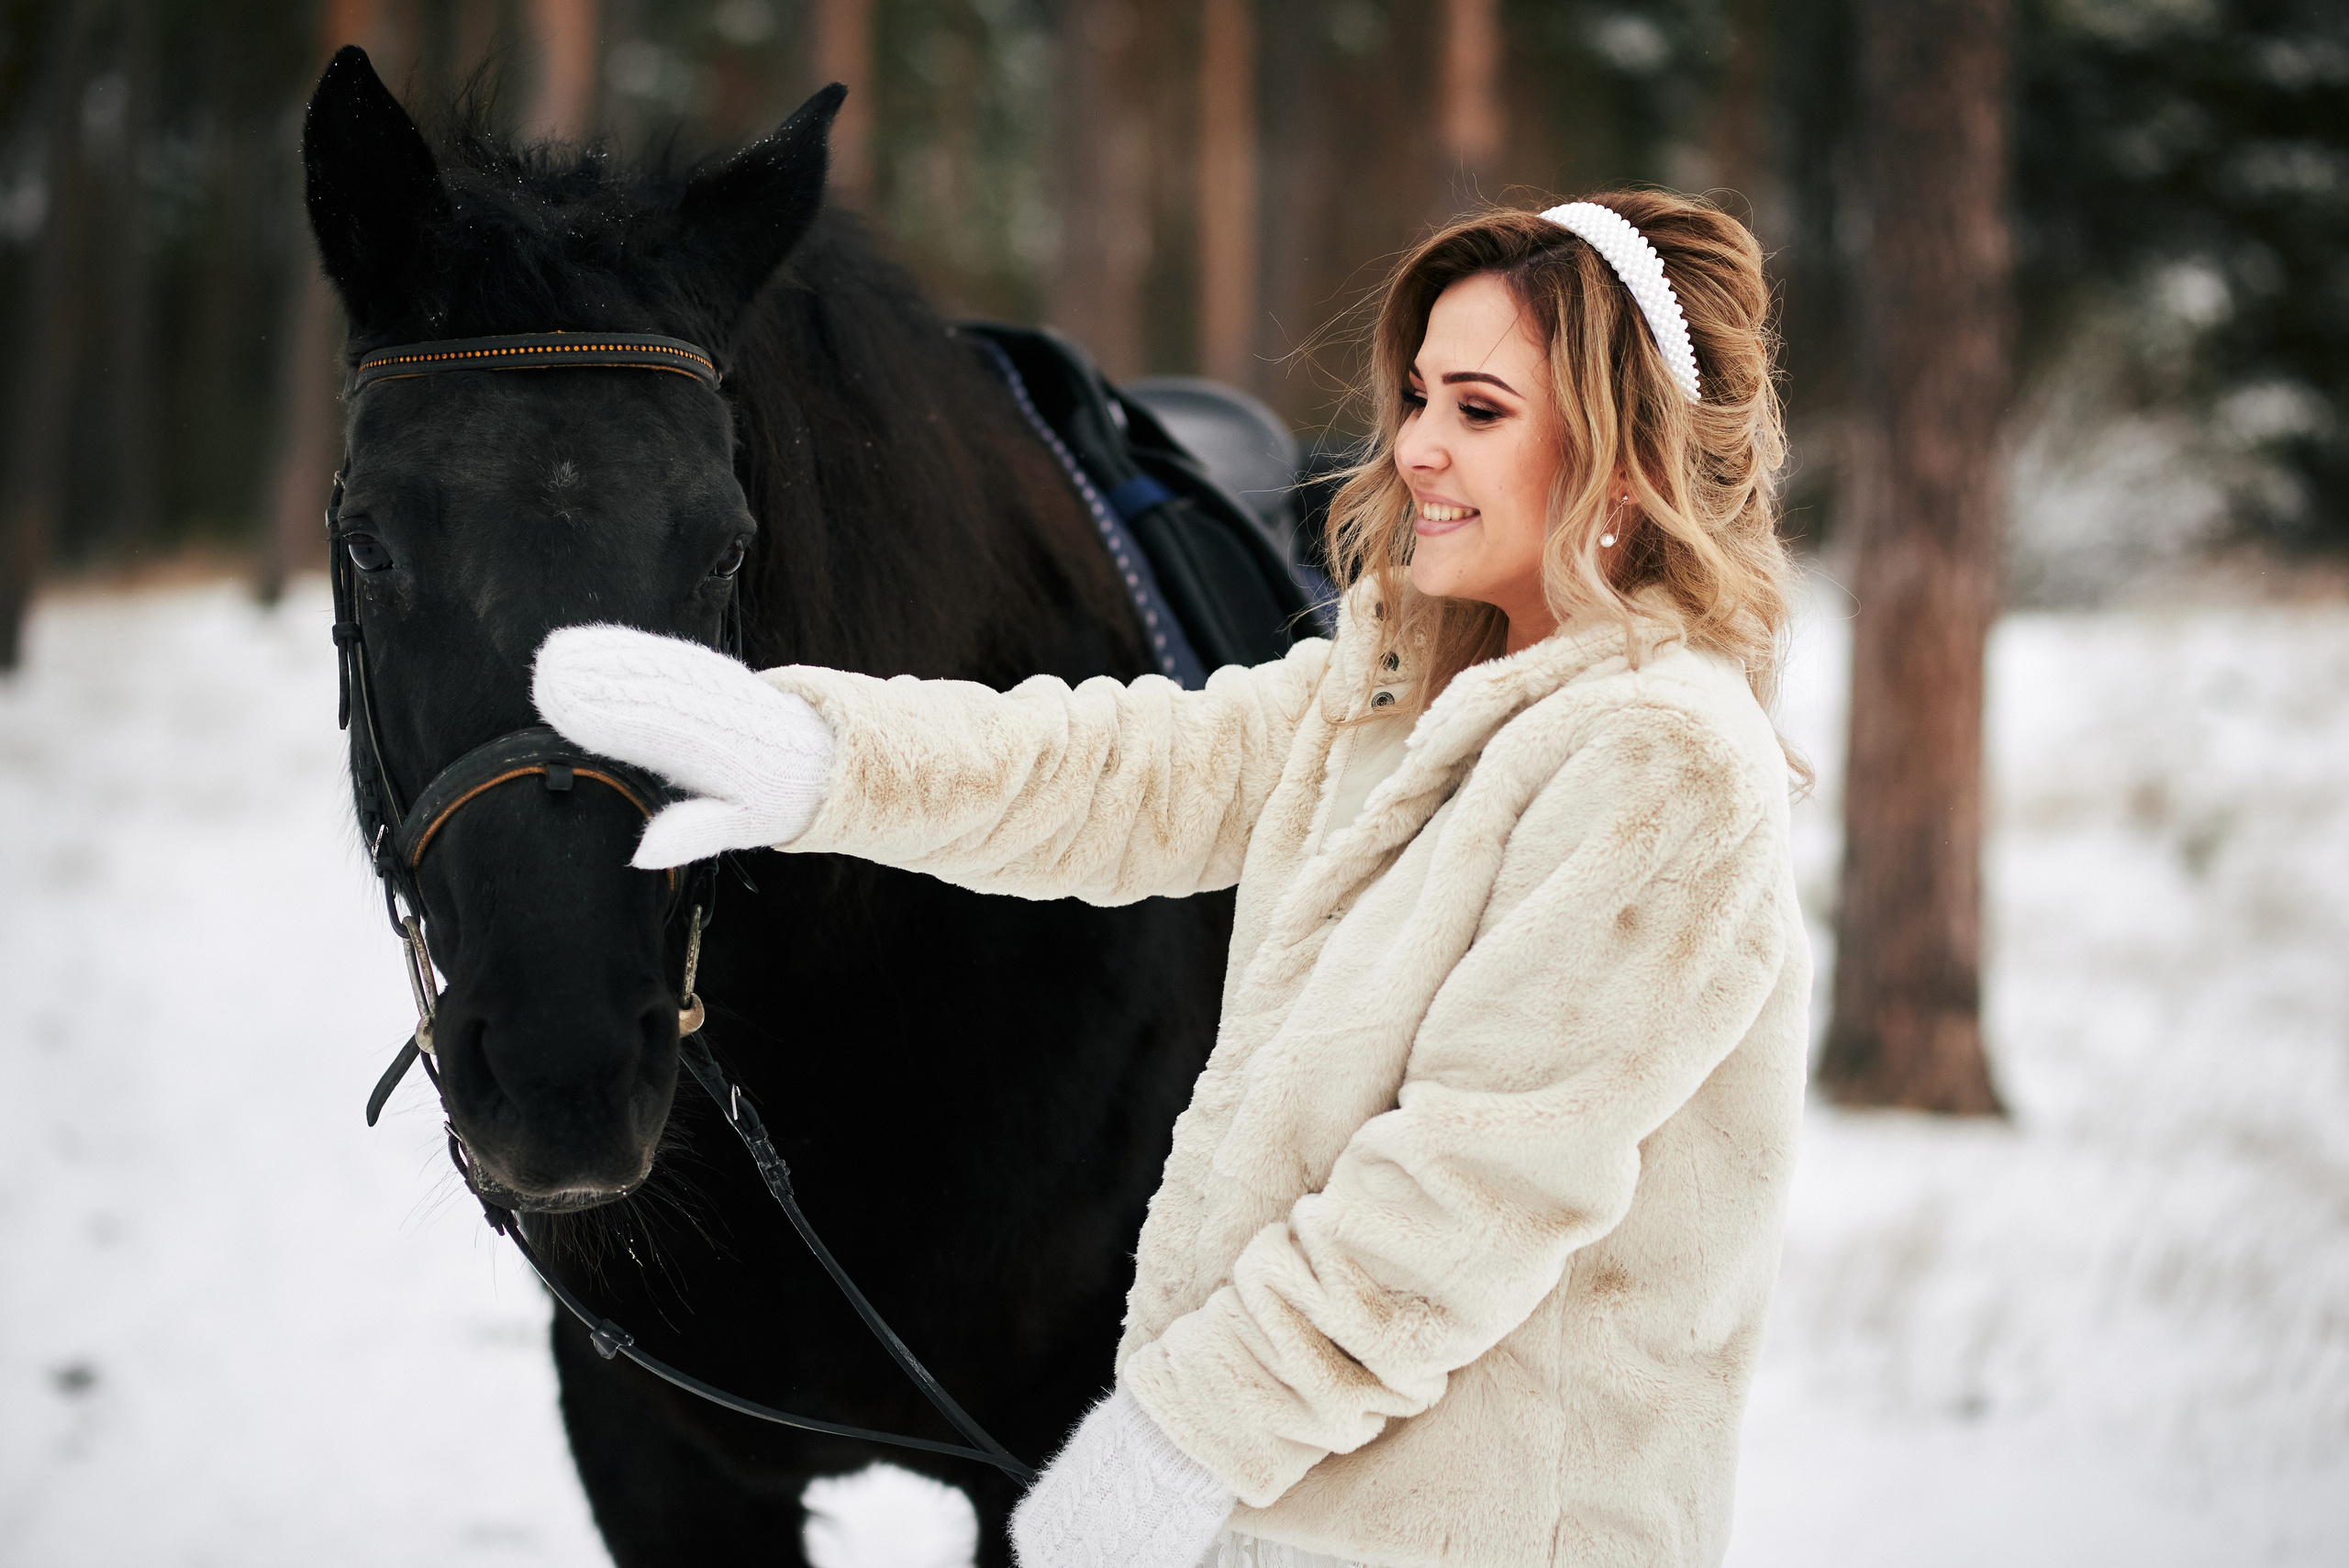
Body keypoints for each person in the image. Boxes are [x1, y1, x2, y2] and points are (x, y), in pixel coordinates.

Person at [533, 191, 1809, 1568]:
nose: (1415, 447)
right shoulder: (1409, 692)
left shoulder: (1663, 767)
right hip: (1298, 1515)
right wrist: (820, 758)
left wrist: (1176, 1445)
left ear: (1625, 462)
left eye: (1480, 410)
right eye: (1418, 395)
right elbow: (1131, 768)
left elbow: (1468, 1186)